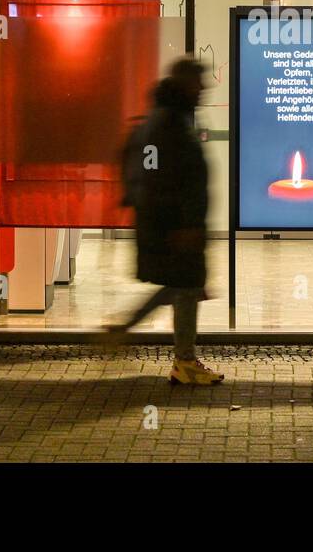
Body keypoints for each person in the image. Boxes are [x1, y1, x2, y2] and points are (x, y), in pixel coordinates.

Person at [110, 56, 223, 385]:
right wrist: (183, 224)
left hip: (169, 223)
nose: (204, 88)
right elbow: (172, 176)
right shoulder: (170, 122)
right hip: (175, 226)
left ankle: (126, 329)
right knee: (185, 287)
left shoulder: (166, 117)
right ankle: (183, 361)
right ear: (185, 84)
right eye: (199, 81)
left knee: (182, 286)